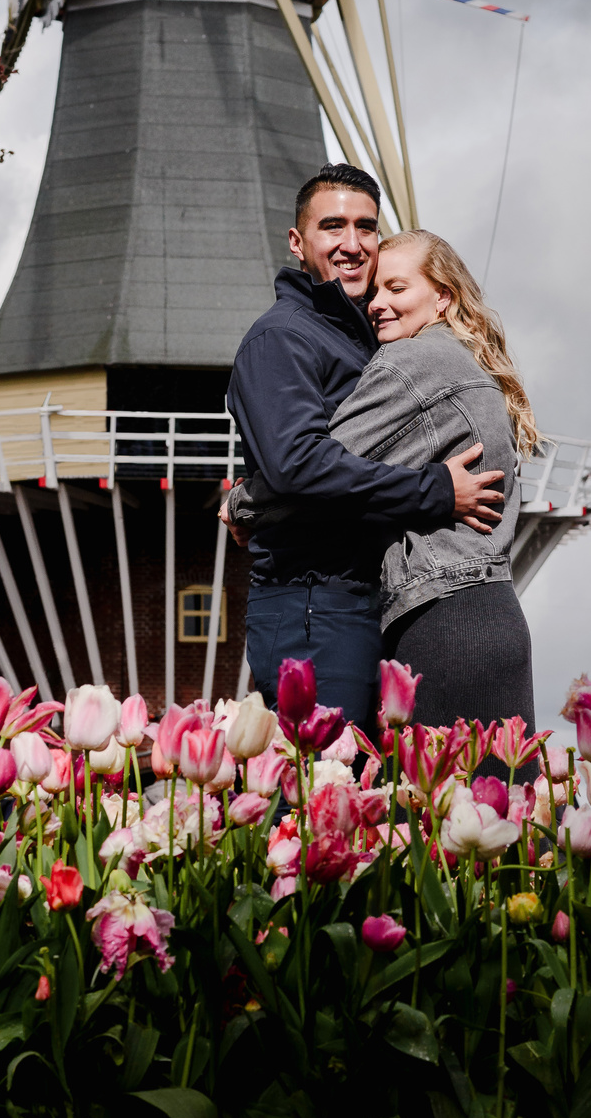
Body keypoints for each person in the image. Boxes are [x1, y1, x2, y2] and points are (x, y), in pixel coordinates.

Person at [231, 227, 540, 746]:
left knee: (444, 809)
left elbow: (309, 470)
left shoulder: (412, 363)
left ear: (443, 295)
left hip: (445, 620)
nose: (377, 304)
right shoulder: (465, 363)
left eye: (397, 288)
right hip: (491, 612)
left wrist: (242, 503)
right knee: (499, 809)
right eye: (374, 291)